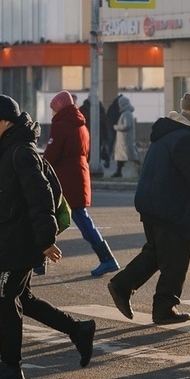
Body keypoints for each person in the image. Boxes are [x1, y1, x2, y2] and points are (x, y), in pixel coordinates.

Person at [0, 94, 96, 379]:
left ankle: (10, 367)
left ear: (7, 121)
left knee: (6, 297)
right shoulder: (9, 150)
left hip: (20, 242)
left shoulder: (21, 153)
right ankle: (79, 330)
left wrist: (46, 240)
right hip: (14, 239)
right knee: (23, 299)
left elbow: (40, 197)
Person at [107, 92, 190, 324]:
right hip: (169, 208)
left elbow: (187, 163)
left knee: (157, 253)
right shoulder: (185, 136)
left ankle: (122, 285)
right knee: (176, 260)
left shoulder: (171, 131)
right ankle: (164, 309)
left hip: (154, 204)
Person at [44, 90, 120, 277]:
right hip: (77, 176)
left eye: (53, 109)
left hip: (67, 181)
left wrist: (40, 165)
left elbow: (52, 154)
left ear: (59, 108)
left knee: (79, 221)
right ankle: (38, 261)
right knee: (52, 218)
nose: (52, 113)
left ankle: (107, 259)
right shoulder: (80, 125)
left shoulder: (61, 125)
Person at [111, 95, 140, 178]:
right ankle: (118, 172)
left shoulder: (127, 113)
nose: (119, 105)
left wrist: (116, 127)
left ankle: (140, 170)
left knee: (132, 155)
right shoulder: (126, 113)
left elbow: (127, 125)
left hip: (125, 139)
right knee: (122, 157)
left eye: (120, 103)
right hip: (123, 139)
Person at [80, 96, 111, 169]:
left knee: (97, 153)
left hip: (98, 135)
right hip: (86, 135)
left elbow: (104, 123)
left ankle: (95, 166)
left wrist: (105, 137)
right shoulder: (83, 109)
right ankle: (87, 167)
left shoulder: (100, 108)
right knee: (87, 152)